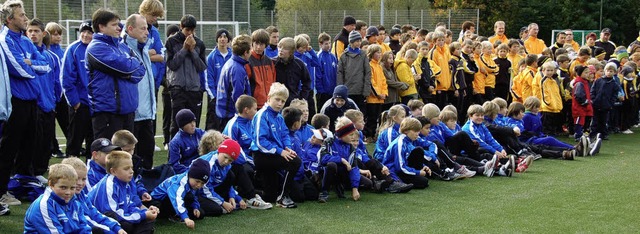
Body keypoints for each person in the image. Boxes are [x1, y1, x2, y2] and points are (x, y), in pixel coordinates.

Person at [0, 0, 51, 206]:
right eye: (22, 15)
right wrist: (30, 65)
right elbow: (19, 69)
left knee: (29, 147)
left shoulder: (25, 40)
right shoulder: (5, 39)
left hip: (32, 101)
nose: (26, 19)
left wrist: (31, 63)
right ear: (10, 19)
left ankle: (21, 186)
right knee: (8, 149)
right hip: (16, 102)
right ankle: (1, 191)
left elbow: (46, 64)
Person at [86, 9, 144, 140]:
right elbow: (126, 67)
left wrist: (127, 71)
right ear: (101, 26)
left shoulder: (122, 46)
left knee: (127, 154)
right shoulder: (96, 48)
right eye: (114, 25)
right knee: (109, 156)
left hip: (128, 110)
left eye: (119, 24)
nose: (119, 28)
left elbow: (141, 71)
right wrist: (128, 69)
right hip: (107, 112)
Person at [250, 82, 302, 207]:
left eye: (283, 101)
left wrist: (287, 147)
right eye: (277, 99)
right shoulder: (261, 115)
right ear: (269, 98)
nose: (280, 103)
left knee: (269, 196)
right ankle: (283, 197)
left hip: (273, 154)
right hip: (262, 155)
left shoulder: (278, 117)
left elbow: (285, 134)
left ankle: (249, 194)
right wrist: (280, 151)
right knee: (295, 162)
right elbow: (260, 141)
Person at [88, 151, 158, 233]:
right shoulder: (109, 186)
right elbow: (112, 213)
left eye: (131, 167)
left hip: (119, 215)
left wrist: (144, 212)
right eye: (126, 168)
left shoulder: (124, 182)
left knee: (147, 220)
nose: (131, 171)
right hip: (102, 220)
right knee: (124, 223)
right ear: (113, 171)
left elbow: (129, 205)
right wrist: (142, 215)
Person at [28, 18, 61, 183]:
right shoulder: (25, 54)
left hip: (49, 104)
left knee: (46, 140)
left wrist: (55, 99)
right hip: (34, 104)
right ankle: (29, 172)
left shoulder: (50, 56)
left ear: (43, 33)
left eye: (36, 31)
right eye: (30, 31)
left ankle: (40, 170)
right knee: (33, 140)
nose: (33, 34)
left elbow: (56, 81)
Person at [122, 14, 157, 170]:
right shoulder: (123, 49)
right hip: (133, 113)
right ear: (130, 29)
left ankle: (146, 188)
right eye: (143, 28)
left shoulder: (144, 47)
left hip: (147, 113)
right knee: (131, 158)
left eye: (147, 28)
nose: (147, 32)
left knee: (147, 153)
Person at [166, 14, 207, 138]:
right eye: (187, 30)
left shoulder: (199, 43)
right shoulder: (172, 41)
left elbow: (202, 67)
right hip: (178, 88)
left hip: (194, 89)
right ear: (181, 27)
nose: (190, 33)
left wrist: (193, 51)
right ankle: (174, 151)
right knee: (177, 123)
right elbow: (172, 64)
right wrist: (184, 49)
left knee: (194, 123)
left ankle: (193, 152)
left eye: (192, 30)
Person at [61, 157, 126, 234]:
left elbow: (95, 214)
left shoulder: (82, 195)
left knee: (112, 218)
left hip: (88, 227)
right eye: (76, 179)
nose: (80, 183)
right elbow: (86, 222)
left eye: (83, 179)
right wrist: (110, 231)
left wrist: (117, 228)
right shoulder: (66, 200)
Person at [23, 164, 93, 233]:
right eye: (63, 187)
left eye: (72, 188)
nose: (68, 192)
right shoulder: (44, 205)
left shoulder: (75, 203)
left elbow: (84, 228)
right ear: (51, 184)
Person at [150, 158, 209, 229]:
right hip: (159, 201)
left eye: (202, 183)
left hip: (174, 201)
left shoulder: (192, 183)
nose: (199, 185)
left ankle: (176, 214)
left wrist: (195, 207)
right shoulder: (180, 183)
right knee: (186, 199)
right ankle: (173, 215)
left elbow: (194, 196)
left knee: (200, 213)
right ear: (190, 175)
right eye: (197, 181)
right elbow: (177, 199)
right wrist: (186, 218)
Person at [319, 117, 363, 201]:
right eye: (350, 134)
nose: (353, 137)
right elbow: (324, 158)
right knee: (331, 165)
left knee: (367, 183)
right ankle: (324, 192)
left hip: (343, 172)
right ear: (342, 134)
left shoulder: (350, 147)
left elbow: (354, 167)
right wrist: (341, 160)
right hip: (326, 172)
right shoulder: (329, 141)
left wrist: (355, 188)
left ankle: (339, 185)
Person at [382, 118, 432, 189]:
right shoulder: (399, 143)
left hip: (404, 168)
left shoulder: (408, 141)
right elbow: (400, 167)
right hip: (394, 171)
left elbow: (408, 158)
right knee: (423, 182)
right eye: (415, 131)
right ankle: (396, 182)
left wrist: (423, 166)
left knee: (418, 151)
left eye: (418, 131)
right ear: (406, 131)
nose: (418, 134)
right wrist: (418, 172)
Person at [216, 34, 252, 128]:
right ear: (245, 52)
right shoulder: (237, 69)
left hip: (225, 113)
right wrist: (243, 114)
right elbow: (238, 96)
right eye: (250, 49)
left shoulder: (233, 63)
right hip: (230, 115)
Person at [45, 22, 68, 158]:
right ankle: (54, 148)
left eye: (59, 34)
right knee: (51, 123)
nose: (58, 37)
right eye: (54, 34)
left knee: (66, 120)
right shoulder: (47, 52)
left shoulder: (63, 51)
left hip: (62, 93)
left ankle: (70, 143)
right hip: (51, 94)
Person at [337, 30, 371, 111]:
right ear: (351, 41)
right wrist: (340, 89)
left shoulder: (363, 55)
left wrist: (366, 90)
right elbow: (340, 73)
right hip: (348, 90)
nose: (359, 43)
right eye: (357, 41)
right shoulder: (344, 56)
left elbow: (367, 72)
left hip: (360, 91)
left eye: (360, 41)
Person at [205, 28, 232, 130]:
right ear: (217, 39)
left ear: (228, 40)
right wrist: (214, 96)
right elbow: (209, 78)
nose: (222, 39)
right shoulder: (211, 57)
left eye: (225, 37)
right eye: (220, 37)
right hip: (216, 98)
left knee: (227, 125)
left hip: (229, 98)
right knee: (213, 125)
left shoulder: (232, 56)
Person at [591, 63, 623, 140]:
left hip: (606, 105)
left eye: (611, 71)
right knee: (595, 120)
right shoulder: (598, 81)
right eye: (607, 71)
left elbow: (614, 95)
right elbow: (593, 90)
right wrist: (593, 99)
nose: (609, 73)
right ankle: (593, 133)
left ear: (615, 72)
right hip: (596, 103)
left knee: (604, 120)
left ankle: (603, 134)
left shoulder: (614, 84)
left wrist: (610, 103)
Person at [275, 37, 311, 106]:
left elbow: (307, 81)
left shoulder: (299, 64)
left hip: (293, 101)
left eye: (285, 48)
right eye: (279, 47)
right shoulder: (273, 63)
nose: (280, 50)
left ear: (291, 51)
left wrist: (302, 97)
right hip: (277, 100)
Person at [169, 109, 205, 174]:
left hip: (203, 167)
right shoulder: (176, 142)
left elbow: (213, 141)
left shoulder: (200, 132)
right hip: (187, 173)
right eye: (189, 122)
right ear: (182, 125)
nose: (193, 125)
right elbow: (175, 165)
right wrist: (191, 171)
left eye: (194, 121)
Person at [248, 29, 276, 109]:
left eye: (262, 44)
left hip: (269, 104)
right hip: (253, 105)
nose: (258, 47)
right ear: (252, 43)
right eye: (256, 43)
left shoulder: (269, 62)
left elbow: (273, 82)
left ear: (266, 45)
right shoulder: (248, 61)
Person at [572, 65, 596, 153]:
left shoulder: (585, 82)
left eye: (588, 72)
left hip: (586, 107)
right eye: (585, 72)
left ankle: (585, 135)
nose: (588, 74)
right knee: (579, 121)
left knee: (586, 121)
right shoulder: (579, 83)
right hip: (580, 107)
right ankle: (578, 135)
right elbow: (578, 95)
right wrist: (585, 102)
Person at [429, 31, 453, 108]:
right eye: (439, 40)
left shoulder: (446, 51)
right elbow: (432, 68)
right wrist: (438, 81)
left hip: (446, 84)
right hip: (439, 85)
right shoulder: (434, 52)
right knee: (439, 106)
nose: (441, 42)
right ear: (434, 41)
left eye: (442, 40)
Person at [316, 32, 338, 111]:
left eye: (329, 43)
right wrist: (321, 90)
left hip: (332, 90)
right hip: (323, 91)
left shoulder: (332, 56)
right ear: (320, 44)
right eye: (326, 44)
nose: (328, 45)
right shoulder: (319, 57)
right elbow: (318, 75)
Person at [619, 66, 637, 134]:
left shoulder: (631, 80)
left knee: (629, 113)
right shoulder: (625, 81)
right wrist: (627, 99)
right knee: (625, 114)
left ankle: (628, 126)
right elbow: (625, 92)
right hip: (627, 100)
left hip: (631, 99)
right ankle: (624, 128)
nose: (631, 74)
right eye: (630, 73)